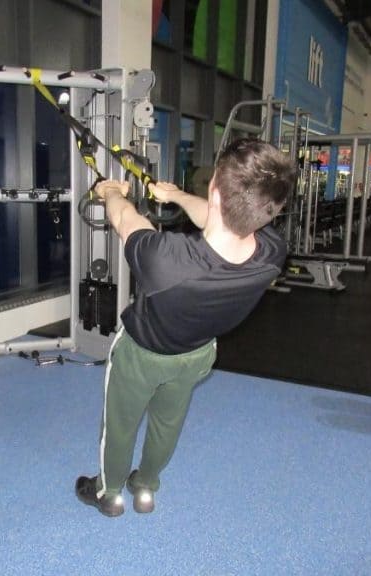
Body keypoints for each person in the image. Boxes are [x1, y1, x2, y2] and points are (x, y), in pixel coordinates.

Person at [75, 138, 296, 516]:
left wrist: (110, 191)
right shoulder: (273, 252)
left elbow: (125, 219)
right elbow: (221, 219)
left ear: (213, 191)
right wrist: (176, 196)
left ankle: (108, 493)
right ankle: (145, 487)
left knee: (120, 424)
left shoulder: (167, 260)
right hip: (197, 355)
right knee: (167, 423)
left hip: (142, 355)